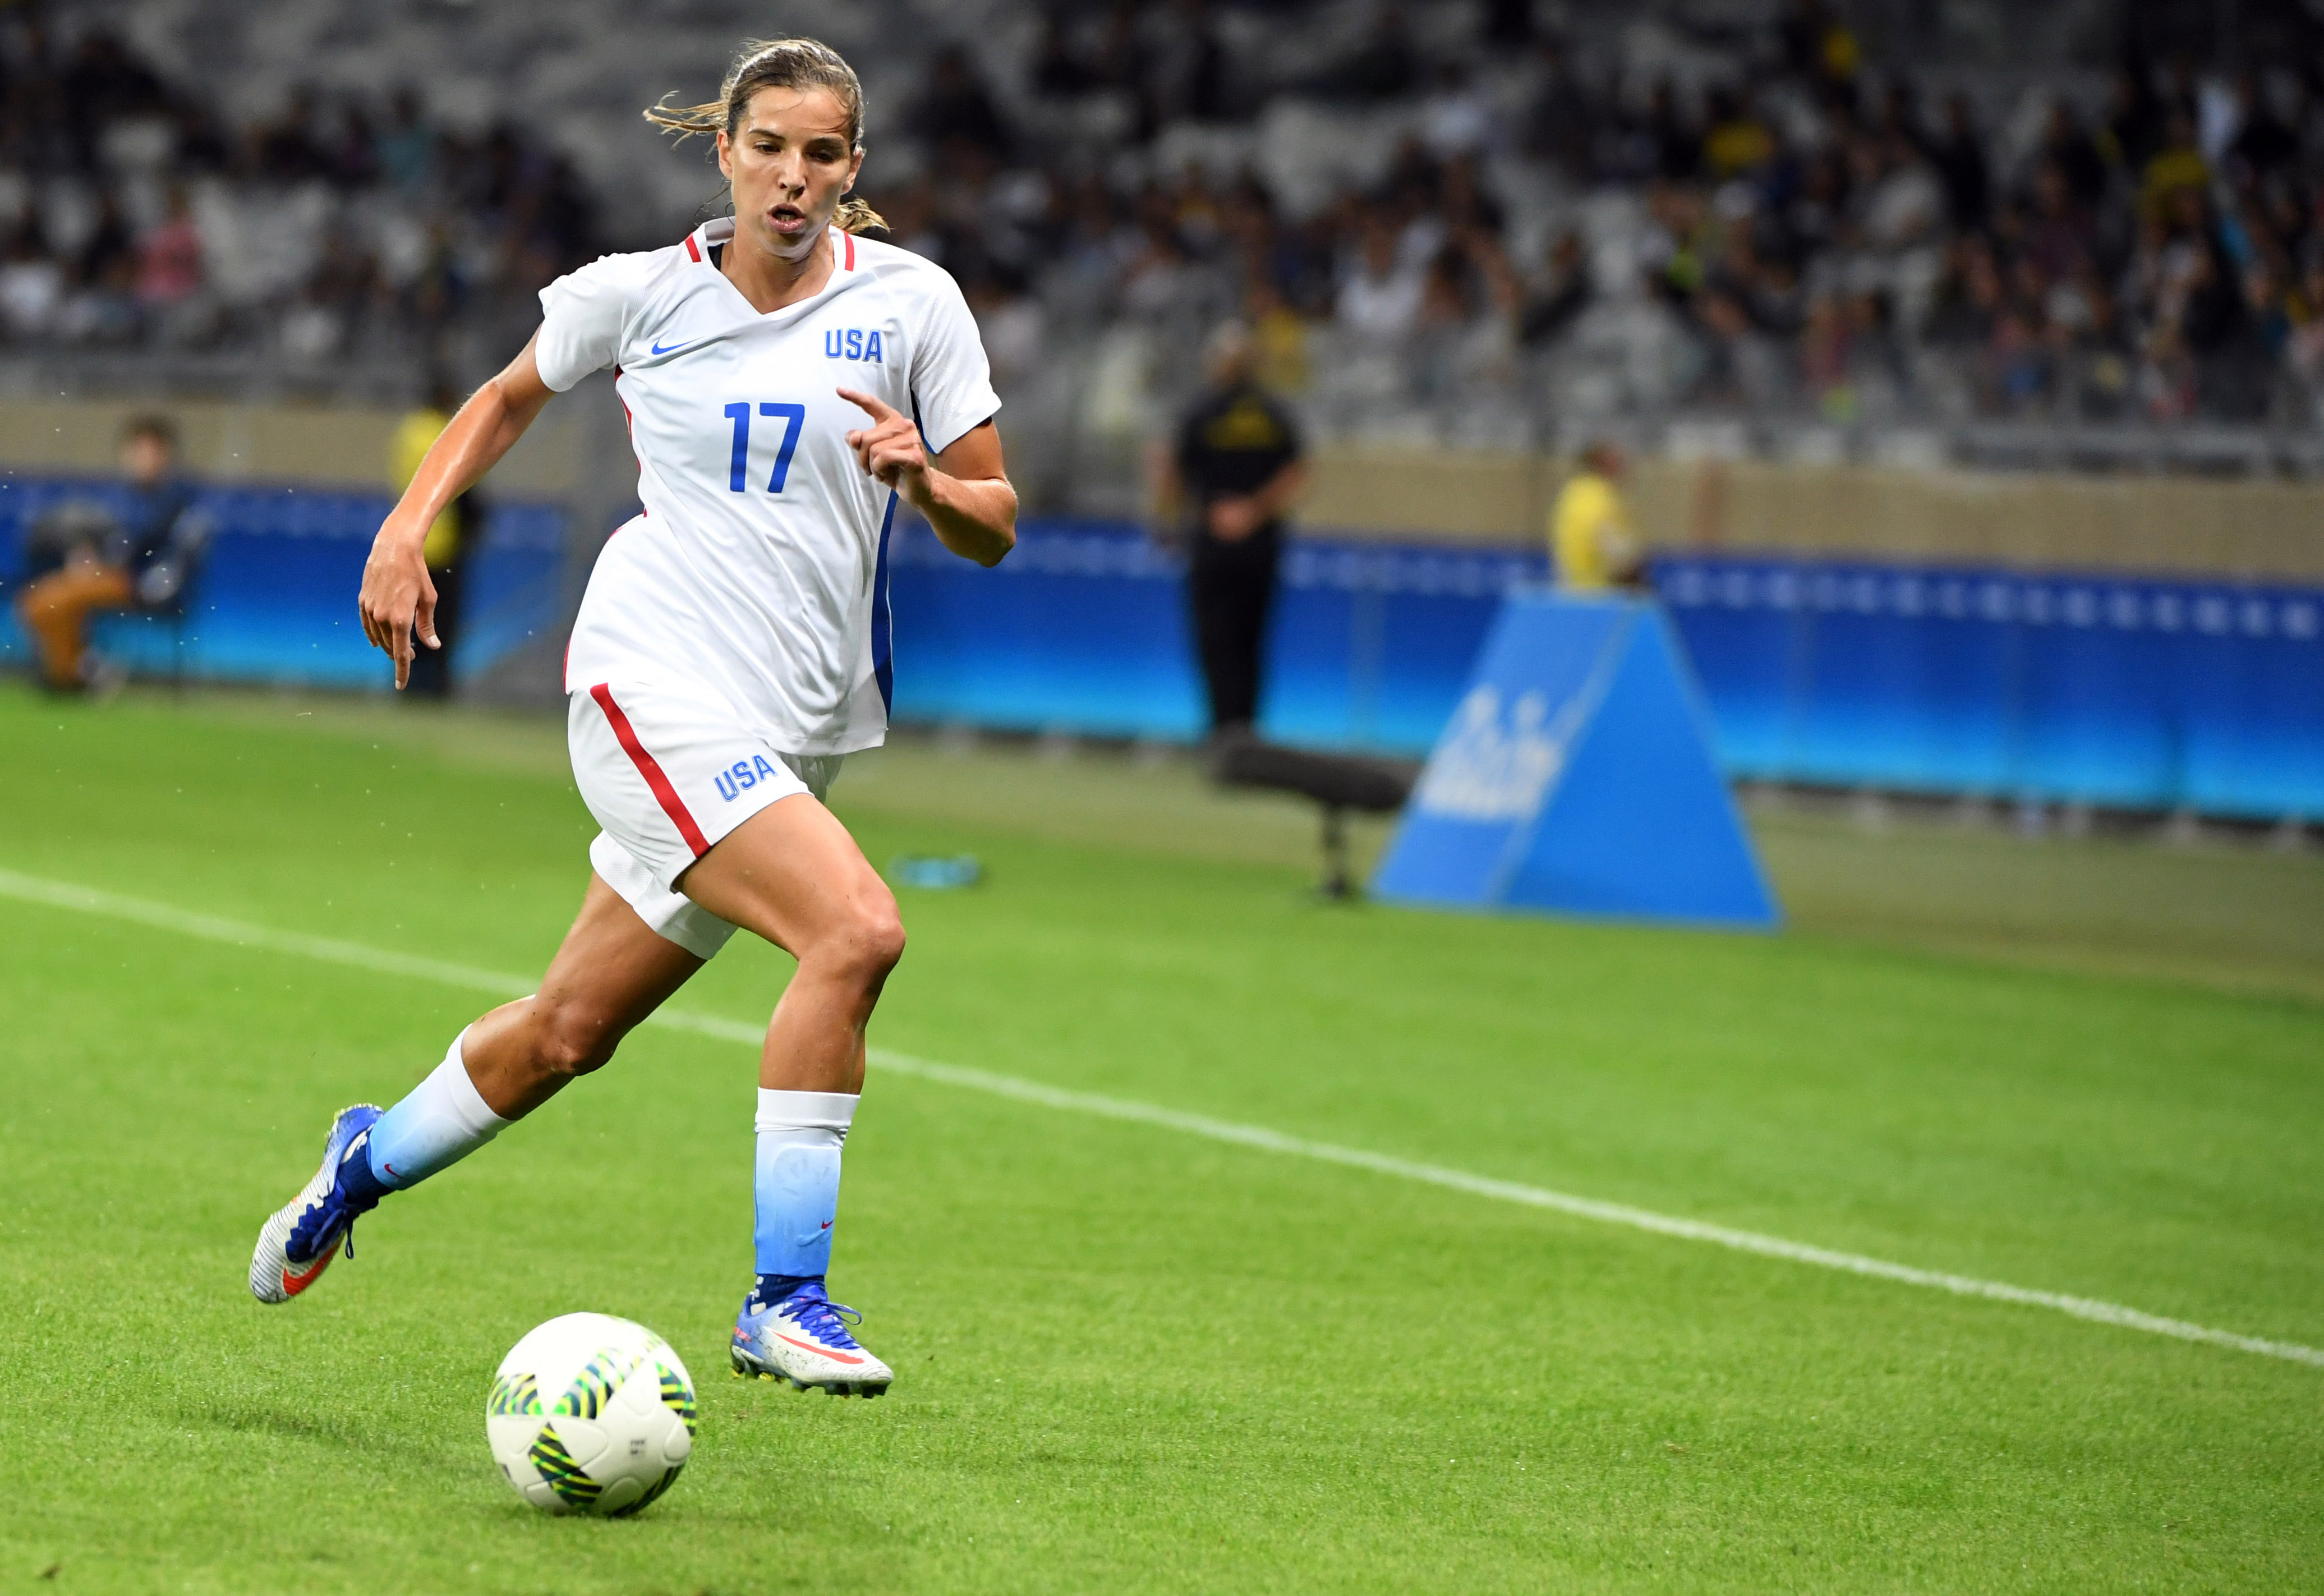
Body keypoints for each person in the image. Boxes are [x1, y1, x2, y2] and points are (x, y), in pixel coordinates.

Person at [247, 38, 1016, 1399]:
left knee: (565, 1033)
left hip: (798, 732)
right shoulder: (636, 294)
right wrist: (405, 527)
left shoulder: (913, 306)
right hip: (648, 682)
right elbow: (501, 400)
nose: (792, 176)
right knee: (855, 929)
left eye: (820, 153)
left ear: (854, 168)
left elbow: (994, 523)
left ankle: (355, 1165)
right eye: (767, 146)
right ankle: (786, 1297)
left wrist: (930, 483)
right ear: (722, 150)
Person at [1153, 320, 1308, 738]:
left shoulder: (1201, 411)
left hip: (1213, 544)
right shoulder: (1273, 413)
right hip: (1259, 544)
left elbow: (1171, 471)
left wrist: (1172, 521)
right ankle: (1245, 732)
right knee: (1251, 640)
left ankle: (1223, 732)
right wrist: (1255, 511)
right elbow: (1295, 471)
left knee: (1215, 640)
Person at [15, 413, 201, 692]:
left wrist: (108, 564)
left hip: (137, 583)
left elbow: (149, 552)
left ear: (166, 455)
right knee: (37, 600)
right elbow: (102, 536)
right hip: (110, 576)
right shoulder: (121, 494)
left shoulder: (176, 499)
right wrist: (86, 555)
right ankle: (79, 669)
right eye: (137, 451)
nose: (143, 459)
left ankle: (75, 675)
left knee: (52, 600)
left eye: (151, 452)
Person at [387, 377, 482, 699]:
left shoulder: (409, 431)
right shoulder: (446, 431)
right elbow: (461, 485)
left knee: (409, 623)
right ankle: (436, 690)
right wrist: (475, 524)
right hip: (443, 545)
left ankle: (405, 685)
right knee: (440, 625)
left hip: (409, 542)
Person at [1548, 439, 1641, 591]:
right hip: (1600, 593)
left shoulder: (1572, 492)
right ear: (1602, 464)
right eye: (1618, 461)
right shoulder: (1601, 498)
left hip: (1568, 586)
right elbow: (1618, 552)